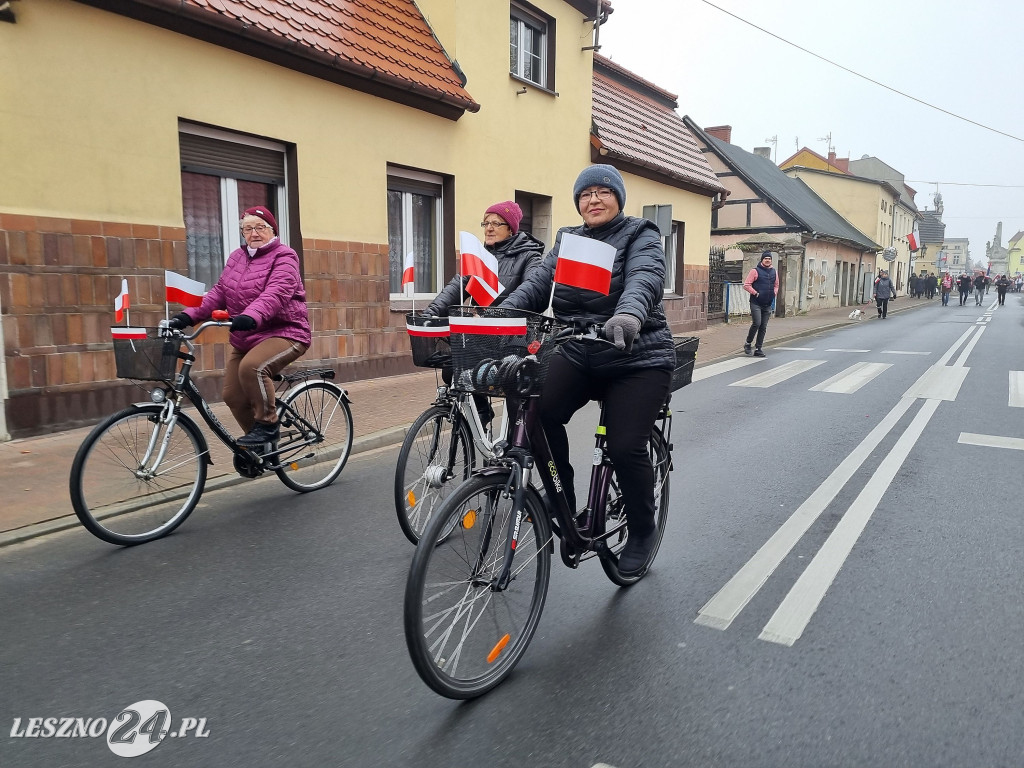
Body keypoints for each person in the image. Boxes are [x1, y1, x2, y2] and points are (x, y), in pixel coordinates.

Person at [500, 164, 675, 576]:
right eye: (585, 194)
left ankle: (643, 531)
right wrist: (501, 314)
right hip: (581, 350)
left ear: (618, 198)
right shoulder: (569, 238)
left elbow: (645, 279)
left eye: (602, 192)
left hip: (637, 355)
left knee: (624, 444)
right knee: (538, 412)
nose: (593, 200)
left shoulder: (640, 234)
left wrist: (630, 315)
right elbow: (538, 284)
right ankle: (562, 496)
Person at [168, 207, 311, 447]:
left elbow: (276, 293)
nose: (254, 233)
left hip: (286, 332)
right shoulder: (237, 257)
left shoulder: (285, 257)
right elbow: (218, 294)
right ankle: (261, 447)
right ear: (242, 233)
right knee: (232, 396)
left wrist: (251, 316)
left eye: (260, 227)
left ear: (272, 230)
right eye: (248, 228)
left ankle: (267, 426)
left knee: (252, 367)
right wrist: (186, 316)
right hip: (246, 335)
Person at [420, 201, 544, 424]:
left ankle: (516, 444)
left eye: (496, 223)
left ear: (511, 228)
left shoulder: (529, 256)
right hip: (483, 335)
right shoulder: (479, 257)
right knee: (453, 370)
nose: (489, 228)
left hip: (514, 339)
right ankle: (482, 413)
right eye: (485, 223)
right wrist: (429, 314)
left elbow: (533, 289)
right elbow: (456, 286)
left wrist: (497, 315)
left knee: (512, 386)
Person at [742, 251, 779, 357]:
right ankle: (748, 343)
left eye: (769, 259)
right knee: (757, 323)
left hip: (768, 303)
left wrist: (774, 293)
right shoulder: (755, 271)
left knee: (763, 326)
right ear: (762, 260)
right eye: (766, 258)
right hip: (756, 302)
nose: (768, 260)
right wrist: (756, 293)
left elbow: (776, 285)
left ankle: (758, 348)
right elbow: (746, 285)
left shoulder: (774, 272)